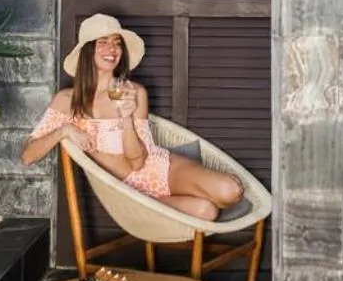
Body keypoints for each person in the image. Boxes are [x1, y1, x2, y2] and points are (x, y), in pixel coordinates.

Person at [21, 13, 243, 221]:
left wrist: (126, 118)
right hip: (129, 190)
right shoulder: (66, 100)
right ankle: (151, 204)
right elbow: (28, 156)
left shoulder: (133, 92)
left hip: (162, 170)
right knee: (207, 211)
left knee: (231, 192)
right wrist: (64, 130)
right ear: (88, 50)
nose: (113, 49)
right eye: (103, 42)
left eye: (117, 43)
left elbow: (138, 163)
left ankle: (157, 202)